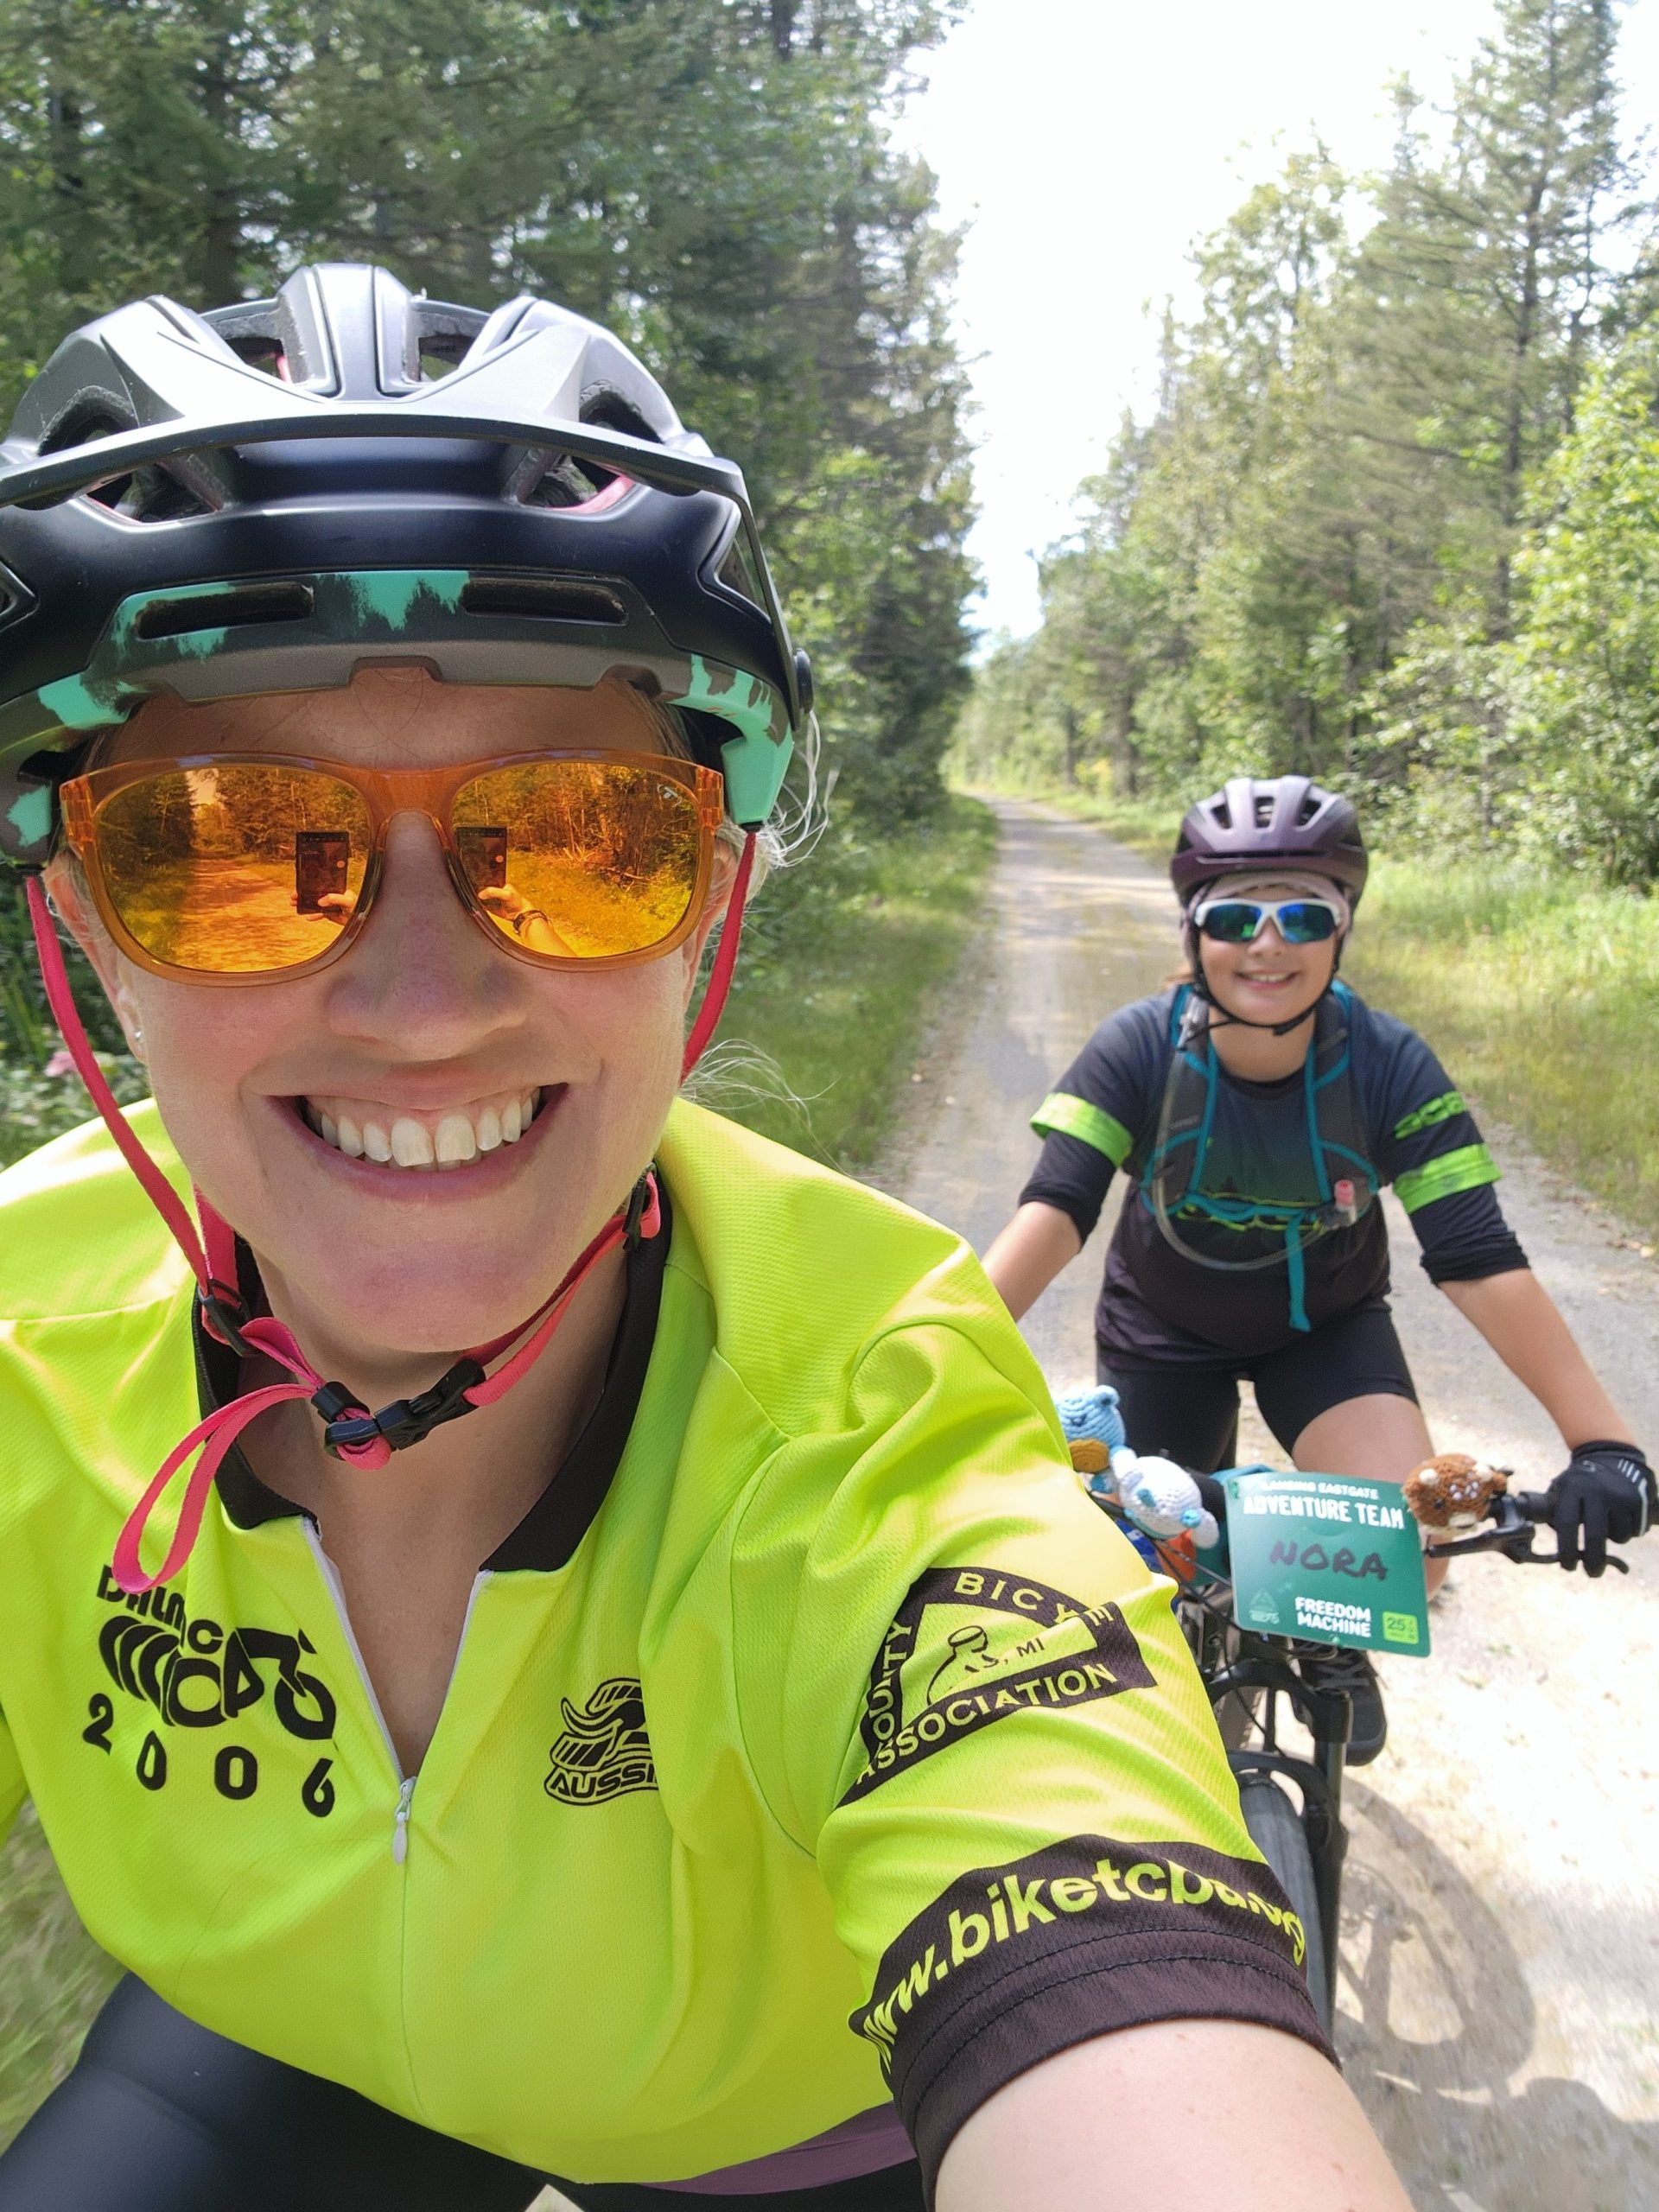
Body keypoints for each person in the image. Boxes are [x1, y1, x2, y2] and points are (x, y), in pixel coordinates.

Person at [0, 275, 1413, 2212]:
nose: (422, 1005)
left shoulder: (873, 1444)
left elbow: (1124, 1992)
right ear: (83, 919)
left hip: (780, 2141)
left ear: (711, 891)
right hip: (286, 2028)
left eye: (581, 838)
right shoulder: (16, 1321)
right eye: (227, 846)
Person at [984, 775, 1653, 1763]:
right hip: (1162, 1332)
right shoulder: (1140, 1046)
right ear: (1193, 934)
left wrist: (1602, 1441)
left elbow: (1478, 1259)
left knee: (1408, 1556)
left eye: (1303, 915)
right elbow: (1051, 1216)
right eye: (1234, 917)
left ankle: (1326, 1634)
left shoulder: (1386, 1062)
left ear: (1342, 930)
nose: (1268, 943)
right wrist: (930, 1360)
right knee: (1155, 1566)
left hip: (1326, 1333)